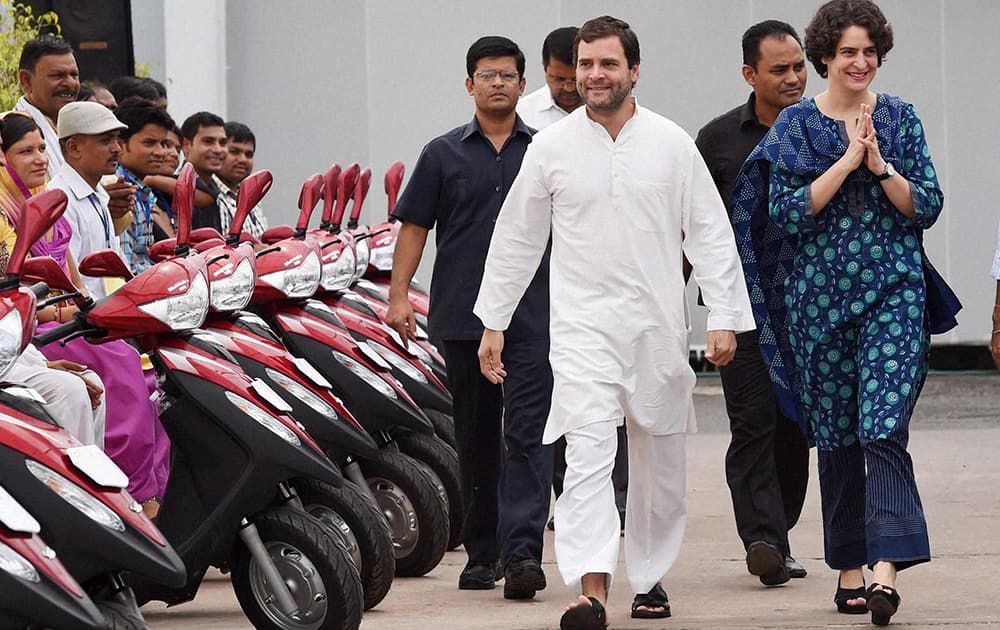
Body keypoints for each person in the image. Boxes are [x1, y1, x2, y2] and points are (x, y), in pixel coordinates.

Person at [474, 16, 755, 627]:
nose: (594, 75)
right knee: (587, 456)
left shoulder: (671, 143)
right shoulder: (550, 147)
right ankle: (592, 588)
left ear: (633, 70)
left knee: (659, 463)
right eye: (585, 64)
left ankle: (650, 577)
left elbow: (710, 231)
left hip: (656, 328)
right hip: (580, 330)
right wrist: (494, 320)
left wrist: (725, 316)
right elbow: (517, 237)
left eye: (606, 64)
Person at [729, 0, 943, 624]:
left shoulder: (900, 118)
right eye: (848, 51)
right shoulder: (796, 126)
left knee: (882, 425)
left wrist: (879, 166)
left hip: (892, 292)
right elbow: (786, 213)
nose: (860, 61)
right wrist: (846, 161)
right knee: (838, 435)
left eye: (869, 51)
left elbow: (925, 205)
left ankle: (884, 570)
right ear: (825, 56)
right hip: (818, 302)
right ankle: (849, 565)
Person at [386, 36, 554, 601]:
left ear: (522, 84)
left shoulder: (548, 150)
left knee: (529, 434)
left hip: (536, 315)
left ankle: (524, 553)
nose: (499, 83)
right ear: (469, 85)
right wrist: (399, 294)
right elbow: (414, 225)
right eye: (488, 75)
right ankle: (483, 554)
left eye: (508, 74)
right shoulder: (442, 153)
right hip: (463, 316)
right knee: (477, 438)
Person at [695, 19, 810, 586]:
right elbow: (691, 226)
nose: (794, 78)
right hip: (738, 309)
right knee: (753, 421)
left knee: (797, 425)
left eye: (798, 66)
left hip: (810, 309)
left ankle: (780, 532)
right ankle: (763, 538)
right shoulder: (716, 141)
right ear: (750, 74)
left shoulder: (821, 130)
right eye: (779, 69)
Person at [44, 103, 170, 518]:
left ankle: (151, 500)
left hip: (105, 323)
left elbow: (112, 267)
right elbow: (68, 283)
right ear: (73, 148)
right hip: (75, 329)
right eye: (105, 140)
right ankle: (129, 503)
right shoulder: (60, 199)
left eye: (117, 138)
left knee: (160, 384)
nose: (116, 147)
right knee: (130, 379)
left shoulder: (99, 194)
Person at [0, 110, 106, 448]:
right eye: (26, 151)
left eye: (42, 149)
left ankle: (103, 490)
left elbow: (67, 276)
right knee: (74, 388)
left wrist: (42, 360)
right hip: (32, 326)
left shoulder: (41, 200)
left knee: (89, 382)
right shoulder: (5, 212)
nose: (40, 159)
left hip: (19, 341)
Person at [16, 37, 136, 221]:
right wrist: (95, 201)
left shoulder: (73, 126)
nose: (70, 84)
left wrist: (104, 201)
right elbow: (24, 210)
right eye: (57, 76)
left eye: (74, 75)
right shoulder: (12, 133)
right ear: (26, 80)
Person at [114, 97, 175, 274]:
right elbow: (126, 269)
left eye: (163, 144)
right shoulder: (118, 186)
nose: (160, 152)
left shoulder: (143, 190)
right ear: (120, 145)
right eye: (149, 143)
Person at [517, 26, 583, 129]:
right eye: (559, 79)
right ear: (544, 66)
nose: (569, 88)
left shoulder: (610, 111)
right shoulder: (521, 115)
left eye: (576, 80)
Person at [213, 121, 268, 239]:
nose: (243, 159)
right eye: (234, 152)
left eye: (249, 154)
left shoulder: (252, 196)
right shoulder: (209, 195)